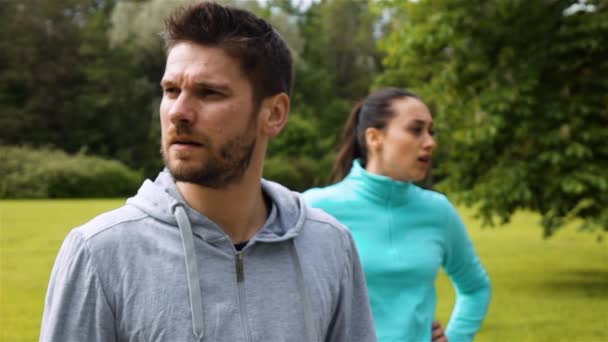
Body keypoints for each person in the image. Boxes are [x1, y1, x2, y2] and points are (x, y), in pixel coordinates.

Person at [39, 2, 375, 341]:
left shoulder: (329, 246)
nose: (179, 112)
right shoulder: (100, 252)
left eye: (209, 93)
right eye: (171, 91)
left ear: (274, 113)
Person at [303, 87, 492, 342]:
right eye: (416, 130)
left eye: (431, 131)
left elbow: (475, 287)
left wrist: (456, 337)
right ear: (374, 138)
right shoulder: (315, 208)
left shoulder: (438, 211)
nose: (430, 142)